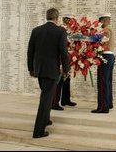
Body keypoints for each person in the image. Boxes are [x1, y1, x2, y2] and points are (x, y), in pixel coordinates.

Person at [27, 8, 70, 138]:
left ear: (47, 17)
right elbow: (63, 52)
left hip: (39, 69)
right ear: (57, 18)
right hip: (52, 70)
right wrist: (67, 70)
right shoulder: (60, 31)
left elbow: (30, 51)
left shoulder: (36, 30)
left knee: (47, 96)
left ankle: (46, 120)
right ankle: (38, 131)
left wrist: (31, 68)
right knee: (46, 99)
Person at [52, 14, 77, 110]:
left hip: (69, 57)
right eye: (69, 20)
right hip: (61, 58)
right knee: (59, 81)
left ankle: (65, 100)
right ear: (65, 20)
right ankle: (54, 103)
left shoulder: (72, 30)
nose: (71, 22)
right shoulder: (61, 29)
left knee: (67, 79)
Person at [92, 13, 115, 113]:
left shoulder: (105, 31)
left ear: (103, 21)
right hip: (110, 56)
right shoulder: (110, 29)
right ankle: (108, 103)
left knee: (102, 82)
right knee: (107, 81)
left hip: (105, 57)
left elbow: (103, 43)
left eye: (99, 22)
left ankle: (103, 107)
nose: (98, 24)